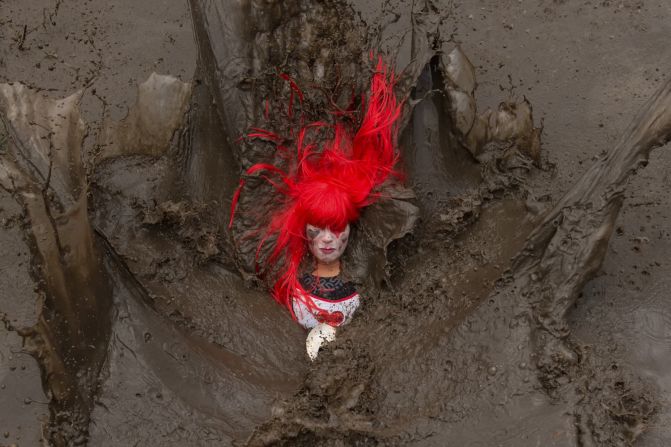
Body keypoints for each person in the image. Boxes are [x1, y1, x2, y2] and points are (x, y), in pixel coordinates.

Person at [230, 56, 402, 358]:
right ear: (303, 228)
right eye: (318, 228)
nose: (326, 239)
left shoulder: (361, 278)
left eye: (336, 228)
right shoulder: (289, 278)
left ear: (350, 229)